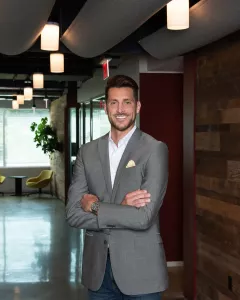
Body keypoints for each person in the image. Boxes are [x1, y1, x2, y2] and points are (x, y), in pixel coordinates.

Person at [66, 74, 169, 299]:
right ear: (105, 107)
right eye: (114, 102)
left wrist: (96, 207)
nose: (120, 109)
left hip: (142, 272)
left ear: (138, 106)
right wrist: (123, 209)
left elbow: (144, 218)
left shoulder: (154, 150)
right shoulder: (87, 152)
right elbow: (73, 214)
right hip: (98, 274)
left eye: (127, 102)